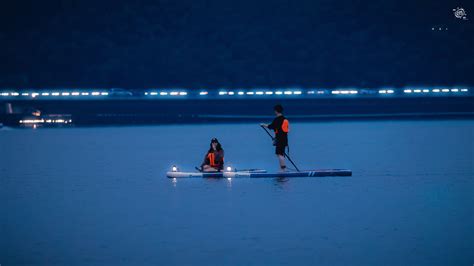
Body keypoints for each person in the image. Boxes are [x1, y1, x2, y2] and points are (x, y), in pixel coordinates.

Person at [261, 104, 289, 171]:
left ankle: (283, 169)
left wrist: (263, 124)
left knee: (279, 154)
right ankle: (282, 169)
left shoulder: (277, 119)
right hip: (284, 139)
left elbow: (270, 126)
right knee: (281, 154)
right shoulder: (284, 119)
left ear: (276, 111)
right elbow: (280, 130)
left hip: (279, 139)